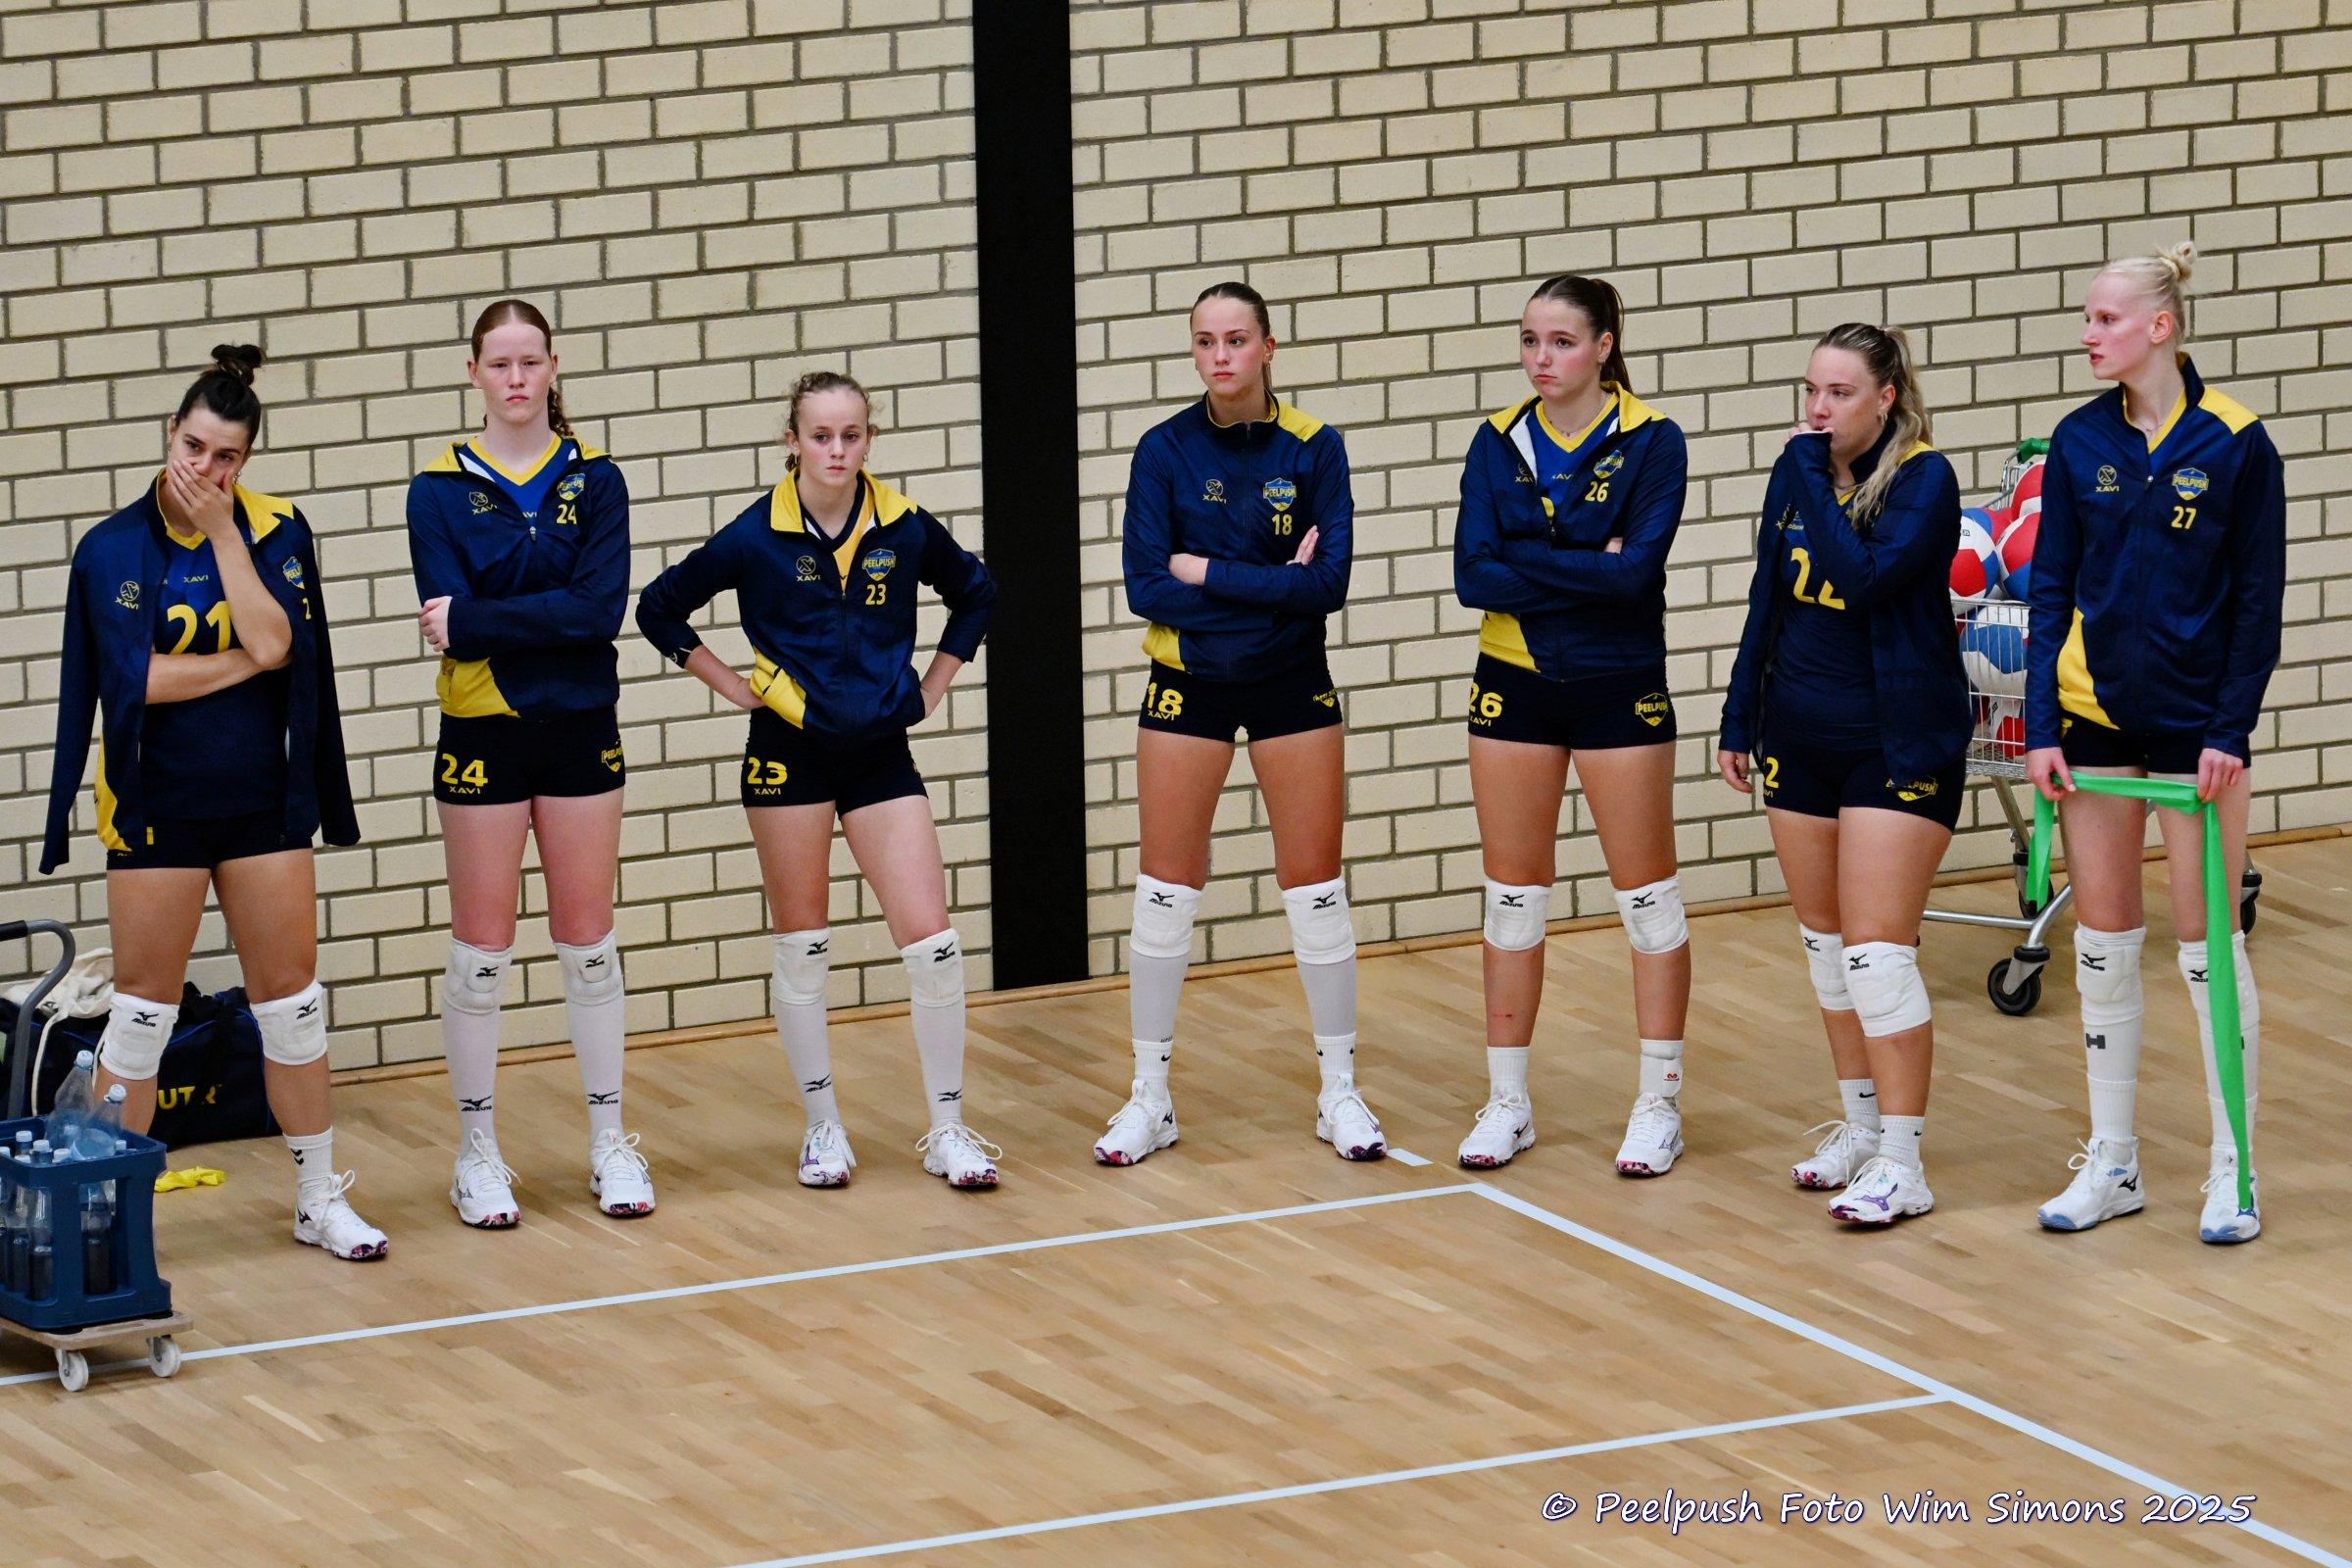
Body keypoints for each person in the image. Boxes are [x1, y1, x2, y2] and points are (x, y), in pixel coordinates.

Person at [42, 346, 385, 1260]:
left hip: (262, 804)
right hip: (156, 807)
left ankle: (317, 1198)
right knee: (141, 1018)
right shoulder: (112, 548)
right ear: (170, 434)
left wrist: (228, 538)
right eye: (194, 447)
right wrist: (244, 662)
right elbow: (135, 682)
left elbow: (284, 640)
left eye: (226, 456)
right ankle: (109, 1219)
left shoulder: (276, 530)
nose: (205, 468)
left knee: (292, 1007)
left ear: (246, 459)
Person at [636, 371, 1002, 1189]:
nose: (837, 451)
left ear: (870, 439)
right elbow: (659, 608)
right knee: (803, 948)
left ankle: (948, 1130)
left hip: (880, 753)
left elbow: (976, 594)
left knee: (934, 945)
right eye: (821, 436)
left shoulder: (903, 524)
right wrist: (732, 685)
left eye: (851, 436)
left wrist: (933, 685)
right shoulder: (754, 535)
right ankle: (823, 1128)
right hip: (788, 753)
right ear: (793, 441)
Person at [2024, 243, 2284, 1245]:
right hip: (2092, 718)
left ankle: (2234, 1168)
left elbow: (2257, 602)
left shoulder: (2238, 442)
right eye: (2088, 318)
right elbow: (2051, 589)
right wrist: (2041, 727)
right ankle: (2114, 1161)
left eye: (2105, 319)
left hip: (2196, 728)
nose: (2089, 334)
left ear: (2160, 327)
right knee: (2102, 945)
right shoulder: (2078, 438)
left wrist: (2230, 729)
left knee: (2208, 945)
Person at [1093, 280, 1386, 1167]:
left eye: (1235, 339)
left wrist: (1207, 571)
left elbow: (1326, 587)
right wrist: (1272, 586)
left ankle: (1340, 1092)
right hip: (1190, 684)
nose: (1220, 356)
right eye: (1204, 341)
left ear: (1267, 347)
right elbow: (1148, 586)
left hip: (1293, 681)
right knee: (1165, 889)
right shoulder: (1164, 450)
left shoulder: (1316, 448)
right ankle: (1150, 1097)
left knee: (1316, 888)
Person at [407, 299, 652, 1226]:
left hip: (580, 723)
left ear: (554, 368)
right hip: (483, 728)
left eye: (530, 362)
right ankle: (477, 1154)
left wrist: (477, 618)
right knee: (482, 953)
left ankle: (610, 1142)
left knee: (588, 946)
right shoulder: (435, 490)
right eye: (499, 363)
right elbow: (456, 619)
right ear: (473, 372)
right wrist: (503, 620)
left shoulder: (599, 479)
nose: (516, 378)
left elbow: (598, 612)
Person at [1718, 324, 1970, 1227]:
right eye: (1811, 392)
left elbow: (1859, 578)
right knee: (1828, 954)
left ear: (1885, 398)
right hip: (1799, 735)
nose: (1818, 411)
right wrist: (1739, 715)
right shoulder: (1798, 475)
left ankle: (1904, 1162)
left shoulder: (1924, 480)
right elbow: (1767, 600)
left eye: (1839, 394)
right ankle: (1862, 1132)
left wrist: (1807, 475)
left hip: (1895, 744)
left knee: (1877, 956)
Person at [1451, 274, 1692, 1174]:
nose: (1541, 358)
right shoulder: (1496, 440)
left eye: (1560, 341)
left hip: (1617, 681)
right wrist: (1589, 558)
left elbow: (1637, 577)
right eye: (1529, 341)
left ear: (1604, 346)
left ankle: (1658, 1104)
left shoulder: (1654, 439)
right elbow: (1472, 576)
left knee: (1648, 902)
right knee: (1512, 900)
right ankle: (1507, 1101)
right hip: (1513, 682)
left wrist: (1531, 558)